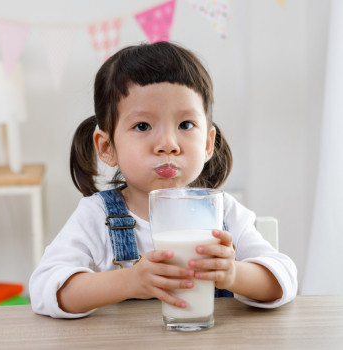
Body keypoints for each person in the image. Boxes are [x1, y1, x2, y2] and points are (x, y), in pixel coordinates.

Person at [29, 41, 297, 318]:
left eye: (185, 125)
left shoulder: (224, 212)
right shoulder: (96, 216)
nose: (168, 144)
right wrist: (129, 281)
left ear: (207, 144)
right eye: (142, 126)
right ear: (107, 148)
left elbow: (284, 280)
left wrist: (233, 274)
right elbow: (45, 289)